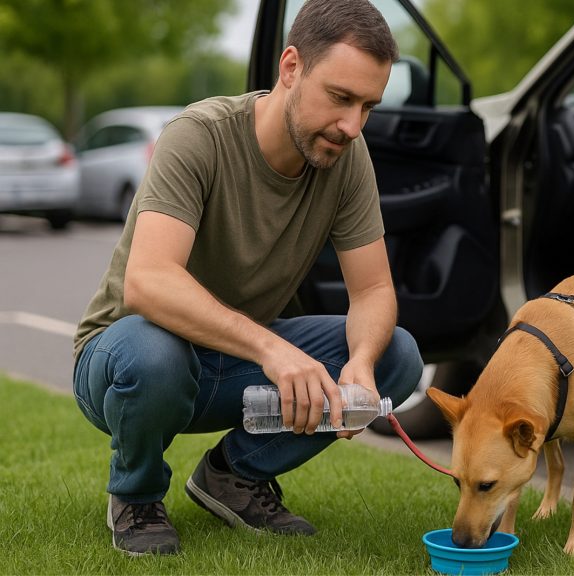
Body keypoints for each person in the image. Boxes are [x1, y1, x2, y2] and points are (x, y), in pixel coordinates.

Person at [71, 0, 422, 556]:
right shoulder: (199, 135)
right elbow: (148, 282)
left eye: (367, 106)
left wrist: (359, 360)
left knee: (395, 354)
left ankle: (231, 477)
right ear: (290, 67)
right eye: (340, 98)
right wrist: (272, 349)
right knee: (154, 353)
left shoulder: (348, 156)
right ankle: (136, 495)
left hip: (234, 363)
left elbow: (374, 290)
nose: (353, 125)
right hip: (127, 359)